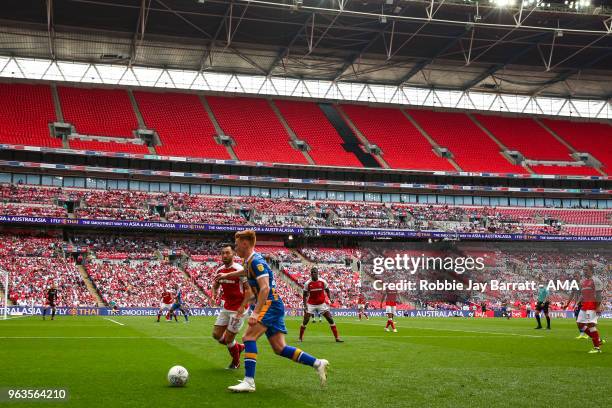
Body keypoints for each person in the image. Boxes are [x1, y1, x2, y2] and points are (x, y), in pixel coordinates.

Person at [218, 230, 329, 393]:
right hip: (274, 304)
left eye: (236, 244)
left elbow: (265, 288)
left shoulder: (256, 261)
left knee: (248, 337)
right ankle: (318, 363)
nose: (235, 248)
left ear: (245, 243)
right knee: (280, 348)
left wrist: (255, 313)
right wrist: (226, 275)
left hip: (269, 304)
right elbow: (244, 272)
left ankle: (249, 382)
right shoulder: (248, 261)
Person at [212, 245, 253, 369]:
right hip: (227, 307)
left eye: (227, 253)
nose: (225, 255)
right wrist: (214, 296)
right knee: (216, 335)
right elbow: (215, 285)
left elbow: (249, 291)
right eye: (223, 253)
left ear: (233, 254)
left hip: (239, 309)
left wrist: (242, 307)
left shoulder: (239, 269)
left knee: (229, 339)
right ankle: (238, 347)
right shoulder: (219, 270)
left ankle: (235, 362)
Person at [565, 264, 605, 353]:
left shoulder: (596, 280)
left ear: (591, 270)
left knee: (591, 325)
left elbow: (598, 295)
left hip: (592, 305)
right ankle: (598, 340)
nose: (584, 271)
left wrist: (598, 306)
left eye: (586, 270)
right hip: (584, 305)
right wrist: (577, 304)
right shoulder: (584, 282)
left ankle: (597, 348)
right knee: (580, 324)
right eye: (583, 270)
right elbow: (583, 295)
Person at [299, 267, 343, 343]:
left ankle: (337, 338)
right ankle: (300, 338)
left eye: (314, 272)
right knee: (305, 320)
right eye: (312, 272)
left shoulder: (323, 281)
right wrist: (305, 305)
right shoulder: (307, 283)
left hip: (321, 304)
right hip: (311, 304)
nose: (313, 274)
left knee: (330, 319)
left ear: (317, 273)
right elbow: (304, 295)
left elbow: (327, 290)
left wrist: (330, 298)